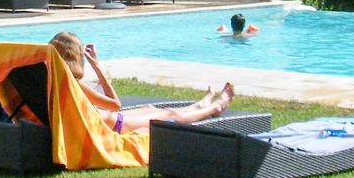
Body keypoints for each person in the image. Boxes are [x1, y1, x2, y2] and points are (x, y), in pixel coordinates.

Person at [49, 31, 233, 126]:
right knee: (170, 115)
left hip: (108, 118)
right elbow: (115, 103)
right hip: (115, 124)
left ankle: (198, 106)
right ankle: (215, 107)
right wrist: (97, 66)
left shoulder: (51, 79)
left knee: (149, 108)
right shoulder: (74, 84)